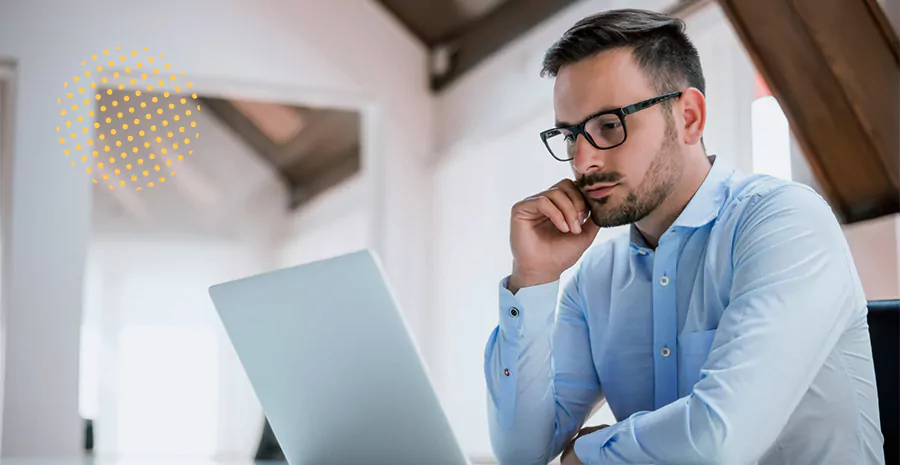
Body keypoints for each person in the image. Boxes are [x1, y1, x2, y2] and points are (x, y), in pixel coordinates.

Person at [483, 8, 884, 465]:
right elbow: (520, 452)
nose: (582, 161)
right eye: (571, 136)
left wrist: (587, 454)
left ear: (689, 117)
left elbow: (718, 440)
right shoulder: (595, 278)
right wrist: (532, 277)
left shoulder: (786, 222)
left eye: (608, 126)